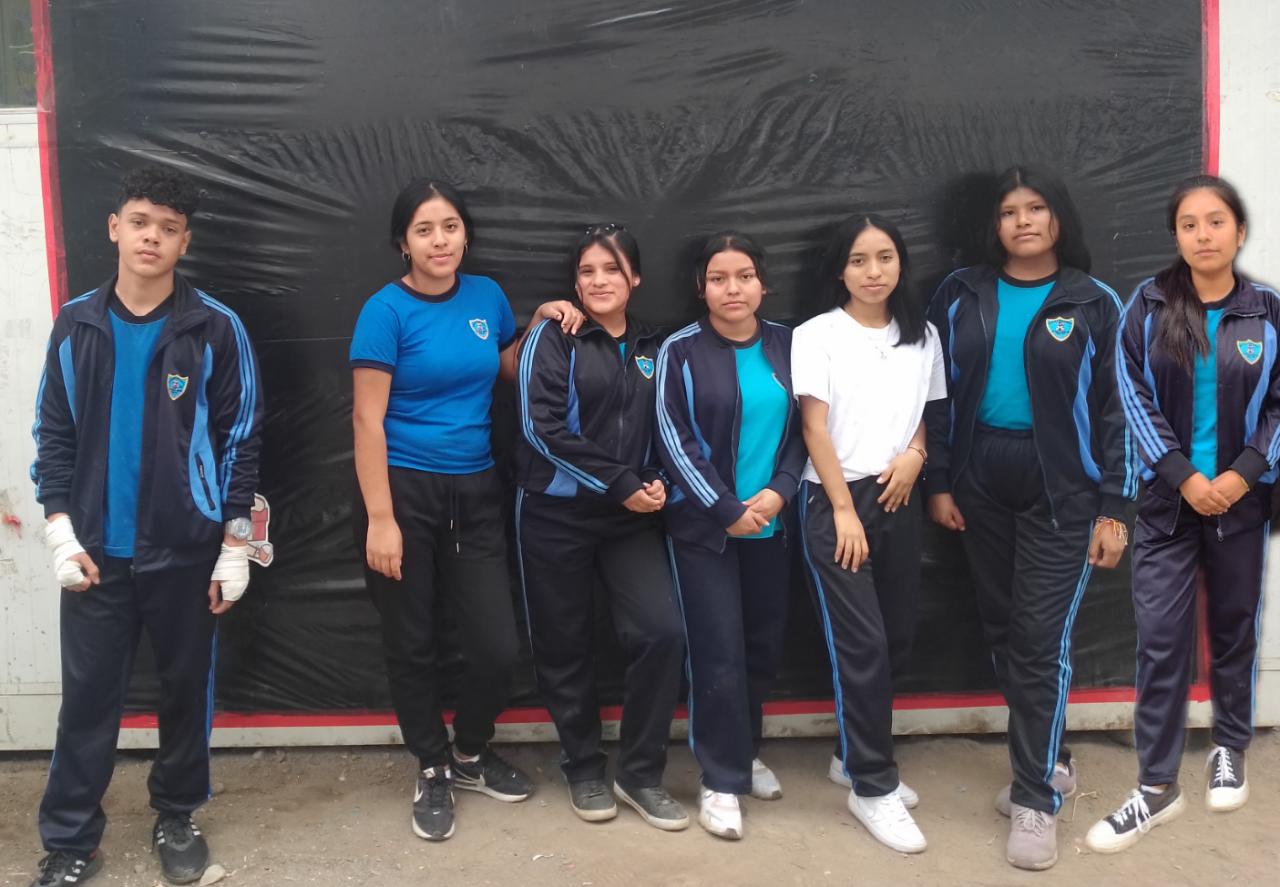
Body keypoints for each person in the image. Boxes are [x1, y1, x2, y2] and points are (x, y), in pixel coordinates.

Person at [29, 166, 264, 887]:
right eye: (139, 222)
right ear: (114, 228)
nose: (151, 237)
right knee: (87, 701)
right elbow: (53, 433)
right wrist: (60, 530)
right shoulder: (77, 323)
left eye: (167, 228)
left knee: (185, 690)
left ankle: (177, 814)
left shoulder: (214, 327)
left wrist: (235, 544)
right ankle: (72, 838)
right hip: (96, 554)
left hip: (187, 552)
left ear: (184, 241)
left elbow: (242, 437)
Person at [350, 178, 582, 842]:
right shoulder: (385, 311)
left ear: (466, 235)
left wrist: (538, 326)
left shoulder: (486, 297)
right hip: (403, 491)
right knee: (412, 642)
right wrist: (381, 518)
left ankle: (470, 753)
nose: (440, 241)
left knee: (496, 646)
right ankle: (431, 766)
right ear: (403, 242)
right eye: (424, 230)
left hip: (477, 489)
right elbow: (367, 419)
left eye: (450, 226)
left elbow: (504, 368)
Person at [923, 166, 1133, 870]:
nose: (1023, 221)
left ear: (1058, 217)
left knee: (1039, 640)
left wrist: (1115, 508)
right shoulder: (961, 293)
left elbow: (1119, 409)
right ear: (994, 225)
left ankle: (1036, 798)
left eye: (1036, 208)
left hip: (1062, 491)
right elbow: (936, 393)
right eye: (1010, 211)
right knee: (1005, 633)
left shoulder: (1093, 301)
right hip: (980, 479)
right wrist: (941, 479)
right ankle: (1054, 757)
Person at [1088, 175, 1278, 853]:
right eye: (1189, 224)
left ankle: (1229, 746)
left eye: (1216, 221)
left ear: (1240, 231)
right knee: (1161, 639)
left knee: (1233, 628)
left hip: (1240, 503)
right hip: (1169, 505)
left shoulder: (1267, 311)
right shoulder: (1148, 304)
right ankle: (1156, 785)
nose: (1203, 235)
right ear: (1176, 235)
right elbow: (1132, 394)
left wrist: (1241, 474)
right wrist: (1185, 476)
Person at [514, 224, 688, 830]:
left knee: (662, 633)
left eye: (612, 269)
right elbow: (540, 429)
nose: (599, 281)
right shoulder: (552, 336)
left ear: (634, 277)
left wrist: (657, 480)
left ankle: (640, 774)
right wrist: (620, 482)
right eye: (587, 271)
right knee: (564, 644)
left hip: (629, 519)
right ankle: (583, 766)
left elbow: (669, 423)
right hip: (555, 514)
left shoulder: (656, 344)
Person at [792, 214, 944, 854]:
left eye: (885, 257)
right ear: (840, 270)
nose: (873, 271)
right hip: (837, 502)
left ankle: (849, 755)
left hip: (899, 494)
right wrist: (843, 510)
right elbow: (814, 428)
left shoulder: (923, 335)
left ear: (901, 264)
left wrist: (916, 455)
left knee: (898, 636)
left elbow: (921, 413)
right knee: (863, 645)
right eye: (859, 260)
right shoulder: (817, 335)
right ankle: (872, 786)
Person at [655, 232, 805, 840]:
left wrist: (781, 490)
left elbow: (809, 426)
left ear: (763, 283)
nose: (733, 289)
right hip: (705, 529)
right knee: (717, 649)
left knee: (761, 647)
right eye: (719, 278)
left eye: (744, 276)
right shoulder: (680, 351)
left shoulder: (790, 345)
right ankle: (719, 779)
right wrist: (723, 507)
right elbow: (672, 437)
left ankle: (745, 751)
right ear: (702, 288)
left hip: (772, 522)